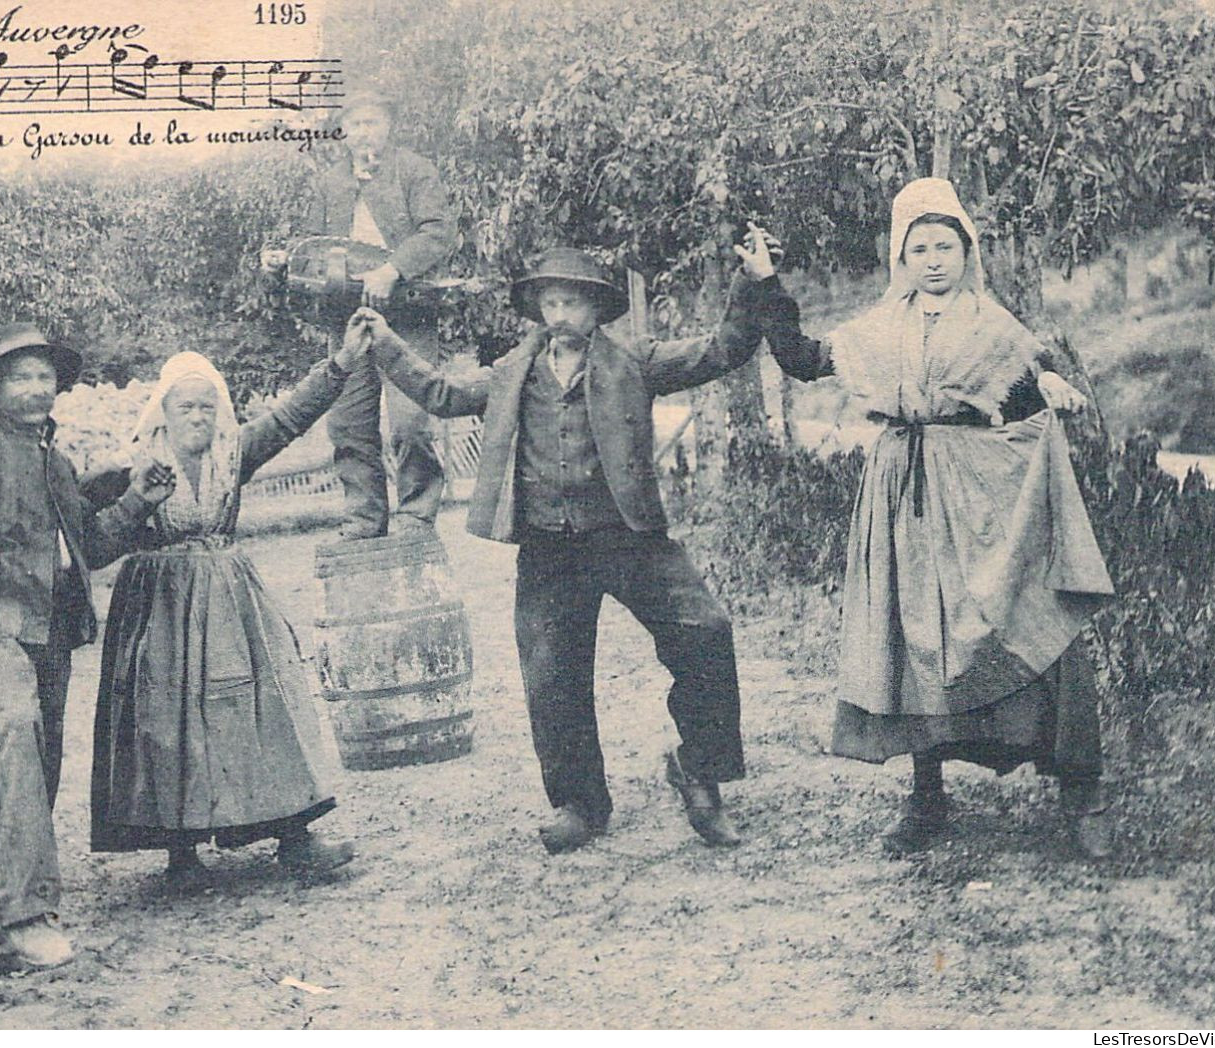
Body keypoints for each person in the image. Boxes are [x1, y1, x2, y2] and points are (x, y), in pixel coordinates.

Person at [736, 178, 1118, 859]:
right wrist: (767, 284)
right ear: (900, 257)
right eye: (919, 249)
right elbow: (799, 358)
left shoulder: (992, 323)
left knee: (1033, 616)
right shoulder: (876, 330)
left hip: (983, 493)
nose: (934, 260)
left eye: (946, 246)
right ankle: (925, 797)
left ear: (966, 251)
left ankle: (1080, 792)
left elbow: (1026, 377)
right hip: (902, 494)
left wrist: (1049, 382)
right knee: (915, 635)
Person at [353, 247, 770, 854]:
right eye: (549, 302)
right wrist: (385, 342)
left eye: (571, 301)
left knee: (704, 631)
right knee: (553, 677)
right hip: (549, 547)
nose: (559, 314)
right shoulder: (512, 372)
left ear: (598, 307)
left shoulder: (635, 361)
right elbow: (440, 393)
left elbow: (722, 349)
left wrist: (749, 280)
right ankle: (580, 803)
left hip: (629, 536)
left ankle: (699, 772)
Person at [0, 323, 175, 973]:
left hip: (52, 631)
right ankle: (25, 916)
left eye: (44, 375)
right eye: (19, 376)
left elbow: (91, 548)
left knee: (33, 771)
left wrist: (139, 500)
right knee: (18, 732)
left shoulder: (56, 463)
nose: (35, 387)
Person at [88, 325, 372, 884]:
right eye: (186, 406)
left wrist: (339, 363)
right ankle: (181, 853)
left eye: (207, 406)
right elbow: (96, 545)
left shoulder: (233, 454)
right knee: (165, 723)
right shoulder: (131, 468)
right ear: (163, 412)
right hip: (159, 610)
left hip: (232, 603)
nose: (198, 416)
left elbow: (293, 415)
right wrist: (134, 501)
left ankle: (295, 836)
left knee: (267, 708)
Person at [284, 88, 457, 540]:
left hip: (406, 316)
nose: (364, 133)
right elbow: (312, 245)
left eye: (372, 123)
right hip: (347, 320)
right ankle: (363, 519)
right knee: (347, 424)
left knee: (411, 422)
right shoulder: (329, 183)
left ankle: (417, 515)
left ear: (388, 126)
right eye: (355, 124)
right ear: (343, 132)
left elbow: (439, 232)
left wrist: (393, 269)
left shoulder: (414, 171)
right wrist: (283, 259)